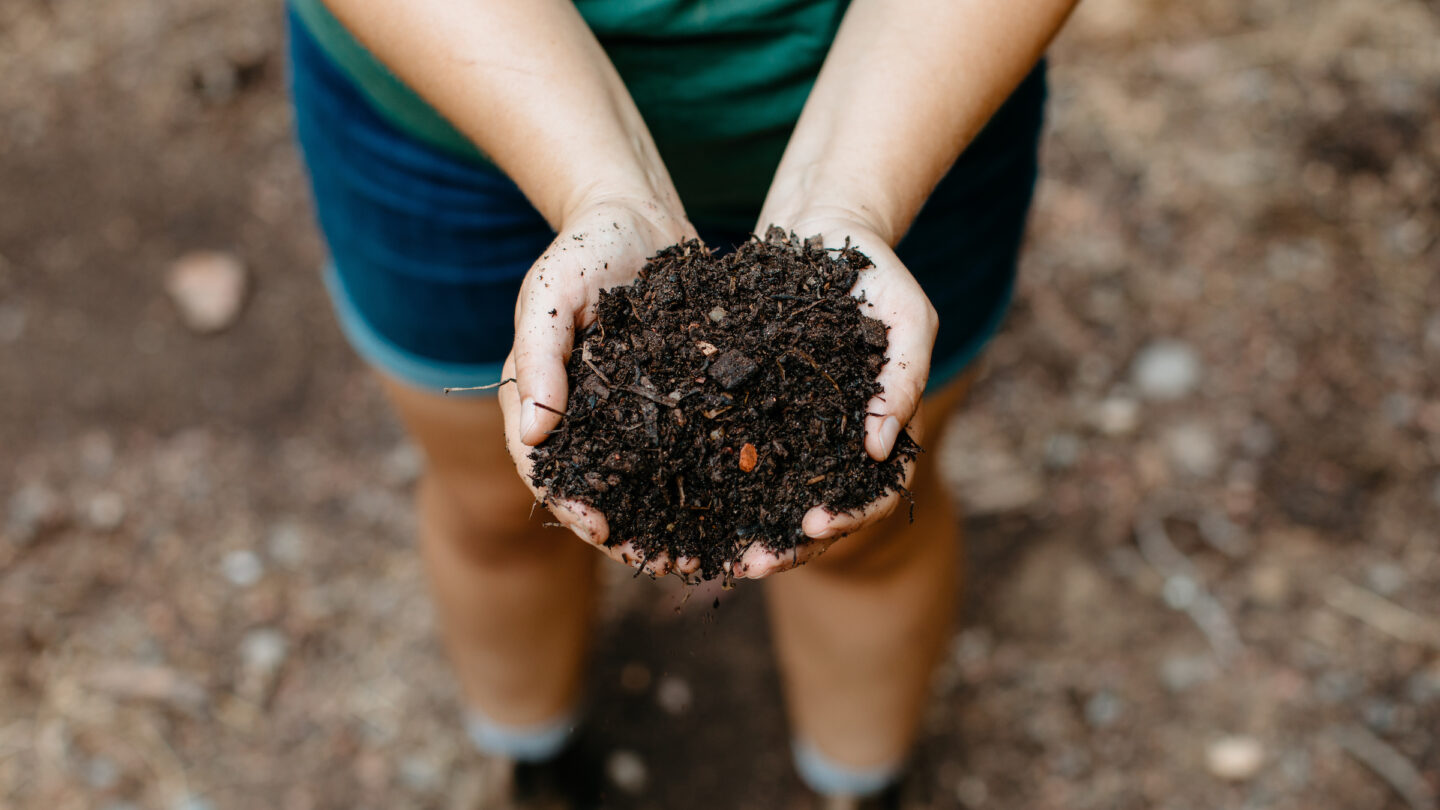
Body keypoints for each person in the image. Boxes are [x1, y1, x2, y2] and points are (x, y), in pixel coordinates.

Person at [287, 0, 1075, 806]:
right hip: (451, 86)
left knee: (865, 526)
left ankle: (860, 788)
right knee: (494, 501)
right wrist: (600, 183)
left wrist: (851, 199)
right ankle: (534, 762)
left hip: (918, 95)